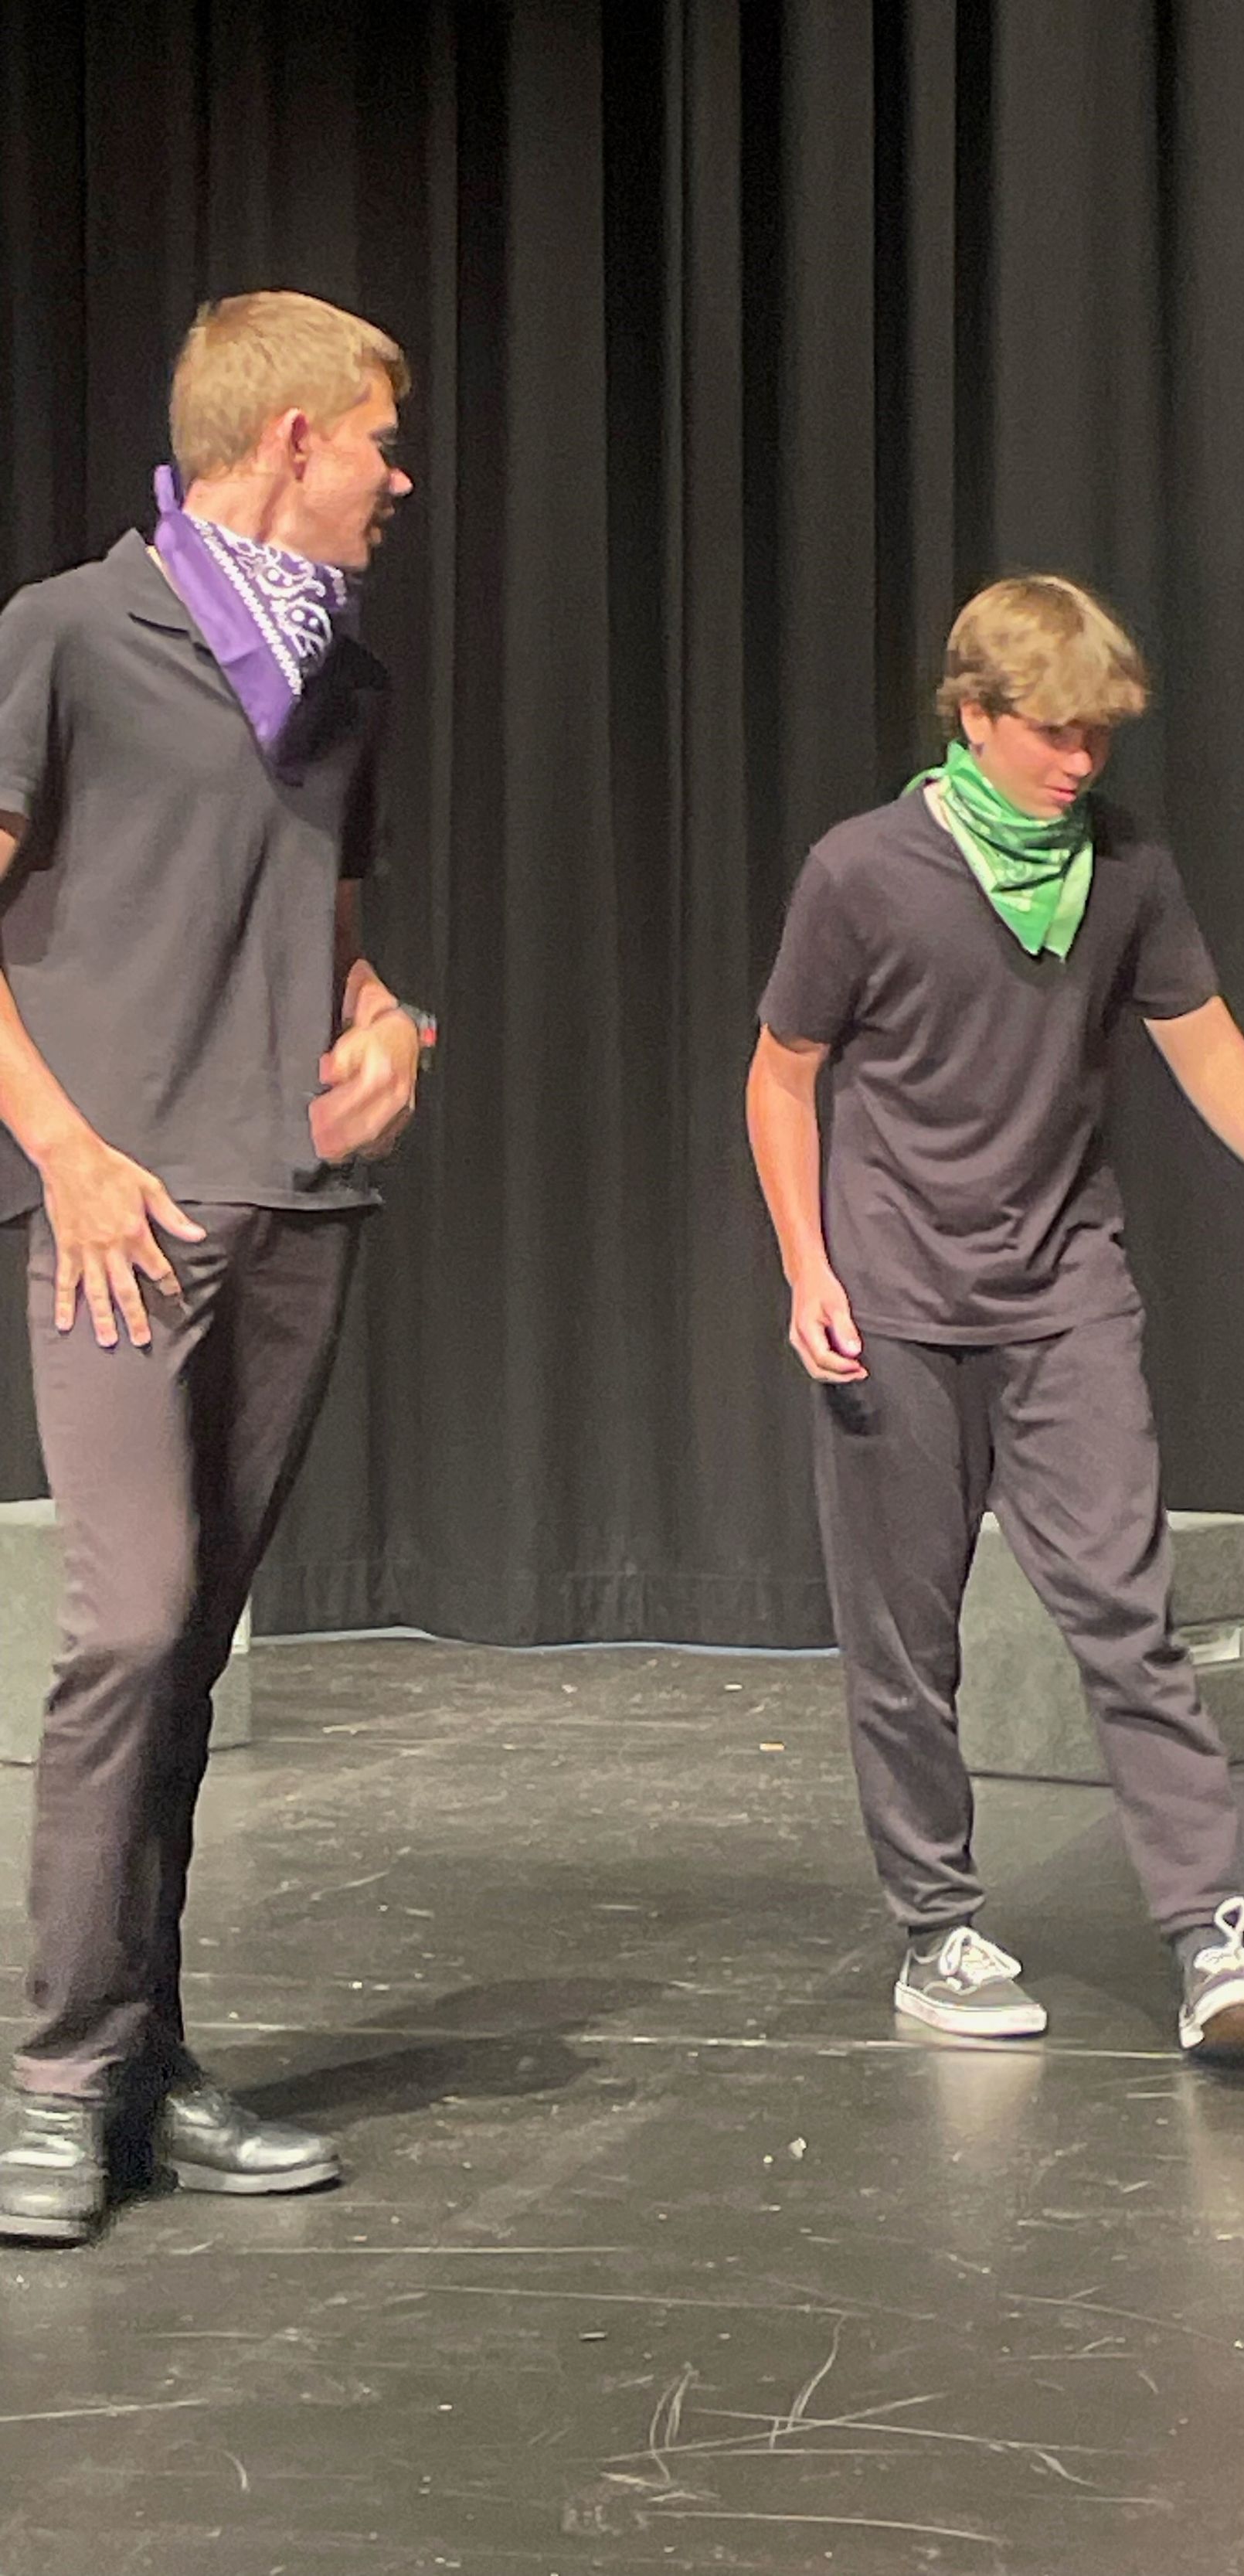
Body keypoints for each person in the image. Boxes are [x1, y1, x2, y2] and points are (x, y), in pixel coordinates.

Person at [748, 574, 1244, 2054]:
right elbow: (782, 1074)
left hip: (1066, 1291)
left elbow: (1205, 1046)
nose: (1081, 763)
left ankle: (1205, 1931)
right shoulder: (862, 871)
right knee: (906, 1643)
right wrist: (807, 1265)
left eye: (1100, 736)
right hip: (895, 1301)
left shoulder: (1127, 869)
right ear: (973, 716)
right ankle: (937, 1927)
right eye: (1055, 734)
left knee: (1128, 1613)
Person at [0, 292, 434, 2242]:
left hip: (294, 1210)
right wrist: (69, 1151)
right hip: (121, 1215)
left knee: (190, 1654)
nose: (400, 479)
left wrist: (389, 1022)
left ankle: (150, 2061)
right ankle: (57, 2074)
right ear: (291, 439)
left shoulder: (346, 686)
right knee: (131, 1622)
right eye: (383, 441)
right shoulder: (72, 633)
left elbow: (322, 933)